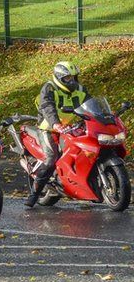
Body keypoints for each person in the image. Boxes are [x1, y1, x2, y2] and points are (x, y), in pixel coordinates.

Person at [26, 62, 86, 207]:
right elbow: (47, 107)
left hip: (69, 127)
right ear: (59, 78)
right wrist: (55, 124)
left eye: (73, 77)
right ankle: (34, 194)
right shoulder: (49, 88)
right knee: (51, 158)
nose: (71, 81)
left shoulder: (79, 89)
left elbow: (89, 104)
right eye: (67, 78)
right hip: (48, 128)